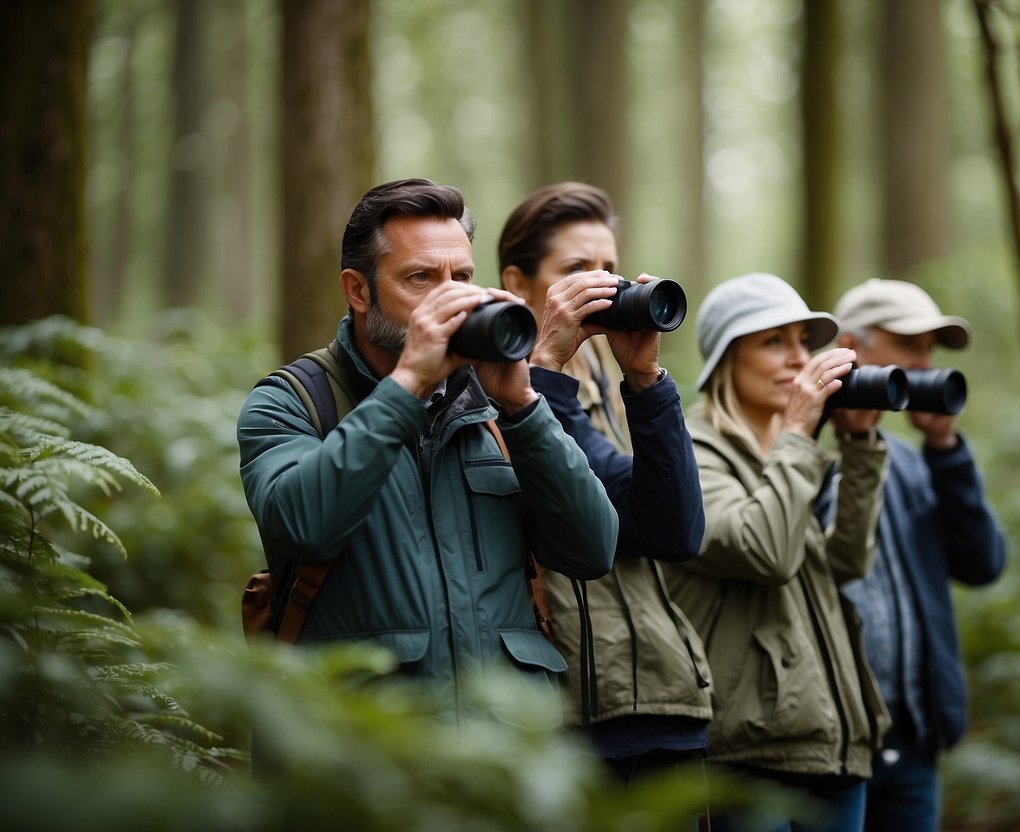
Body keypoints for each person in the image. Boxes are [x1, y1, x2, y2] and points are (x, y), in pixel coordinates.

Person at [237, 178, 618, 713]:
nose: (451, 298)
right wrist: (407, 385)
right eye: (420, 278)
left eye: (461, 276)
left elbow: (591, 549)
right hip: (368, 748)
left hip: (503, 752)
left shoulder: (494, 403)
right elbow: (301, 524)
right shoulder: (293, 401)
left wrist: (524, 407)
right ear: (358, 290)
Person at [497, 182, 713, 785]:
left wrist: (645, 378)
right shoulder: (495, 383)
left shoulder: (609, 385)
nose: (603, 286)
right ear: (517, 283)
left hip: (661, 700)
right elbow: (609, 510)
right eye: (576, 270)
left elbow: (677, 531)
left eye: (610, 269)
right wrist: (546, 370)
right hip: (574, 714)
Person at [664, 272, 891, 832]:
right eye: (774, 342)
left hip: (830, 741)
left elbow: (842, 566)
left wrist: (858, 445)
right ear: (725, 359)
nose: (799, 359)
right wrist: (797, 434)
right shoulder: (692, 450)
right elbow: (762, 552)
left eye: (803, 342)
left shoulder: (782, 448)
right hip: (748, 752)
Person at [827, 278, 1007, 832]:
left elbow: (982, 563)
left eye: (931, 350)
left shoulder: (908, 463)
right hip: (824, 742)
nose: (926, 364)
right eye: (910, 346)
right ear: (852, 349)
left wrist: (945, 448)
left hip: (913, 739)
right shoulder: (795, 451)